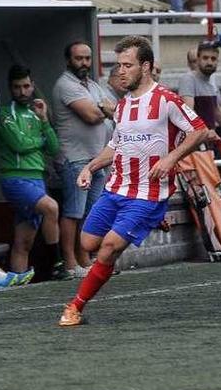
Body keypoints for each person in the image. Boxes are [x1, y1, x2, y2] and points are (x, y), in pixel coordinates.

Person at [58, 35, 208, 326]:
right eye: (119, 65)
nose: (121, 71)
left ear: (146, 67)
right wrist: (90, 167)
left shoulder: (166, 100)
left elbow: (199, 130)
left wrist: (170, 158)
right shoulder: (123, 105)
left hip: (147, 192)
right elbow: (116, 146)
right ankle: (151, 220)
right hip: (116, 188)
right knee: (88, 242)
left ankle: (75, 306)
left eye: (128, 65)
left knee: (109, 248)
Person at [0, 64, 68, 280]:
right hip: (15, 178)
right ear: (10, 88)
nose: (23, 92)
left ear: (32, 86)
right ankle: (57, 261)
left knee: (23, 242)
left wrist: (44, 120)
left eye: (26, 86)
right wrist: (40, 140)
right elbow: (19, 144)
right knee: (51, 207)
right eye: (17, 87)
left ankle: (17, 281)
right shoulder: (5, 113)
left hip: (37, 179)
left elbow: (54, 148)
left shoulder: (36, 113)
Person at [53, 41, 114, 278]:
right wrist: (102, 108)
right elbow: (91, 115)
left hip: (96, 159)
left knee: (90, 215)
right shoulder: (65, 84)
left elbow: (114, 109)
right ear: (68, 60)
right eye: (79, 59)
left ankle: (84, 259)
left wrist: (102, 108)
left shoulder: (91, 85)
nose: (84, 63)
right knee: (73, 213)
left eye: (87, 58)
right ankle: (70, 264)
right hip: (75, 159)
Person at [178, 41, 221, 138]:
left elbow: (217, 111)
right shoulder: (188, 79)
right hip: (195, 142)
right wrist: (205, 131)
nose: (209, 62)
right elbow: (188, 112)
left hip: (209, 139)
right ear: (198, 60)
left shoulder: (211, 80)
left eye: (213, 59)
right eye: (205, 58)